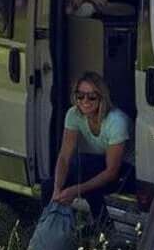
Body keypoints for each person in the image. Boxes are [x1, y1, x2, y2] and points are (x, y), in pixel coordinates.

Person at [51, 71, 130, 218]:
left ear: (102, 98)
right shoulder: (74, 114)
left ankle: (103, 224)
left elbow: (112, 171)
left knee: (88, 178)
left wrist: (76, 190)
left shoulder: (116, 121)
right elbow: (64, 156)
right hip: (100, 162)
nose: (85, 101)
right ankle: (50, 224)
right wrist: (57, 189)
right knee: (51, 183)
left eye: (92, 96)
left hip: (126, 170)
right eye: (80, 96)